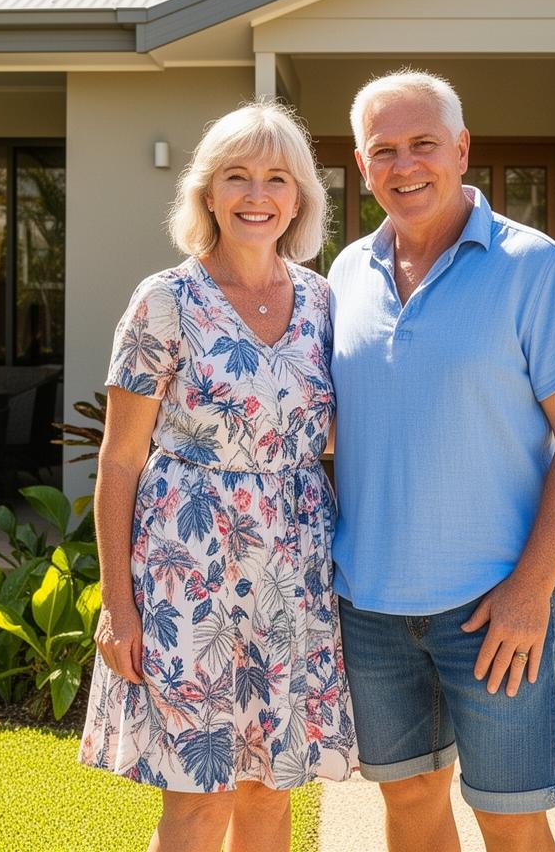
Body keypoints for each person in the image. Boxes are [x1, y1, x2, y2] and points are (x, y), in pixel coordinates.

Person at [328, 70, 555, 852]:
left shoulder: (537, 267)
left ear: (461, 148)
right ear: (361, 165)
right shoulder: (343, 276)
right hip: (370, 606)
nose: (404, 163)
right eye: (384, 149)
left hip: (495, 609)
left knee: (511, 819)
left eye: (423, 143)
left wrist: (530, 590)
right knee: (410, 805)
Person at [80, 101, 357, 850]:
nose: (257, 195)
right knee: (200, 799)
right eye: (237, 177)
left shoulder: (325, 304)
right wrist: (119, 604)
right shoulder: (165, 301)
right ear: (208, 193)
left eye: (276, 178)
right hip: (186, 572)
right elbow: (120, 459)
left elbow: (337, 437)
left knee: (271, 792)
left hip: (292, 573)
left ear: (299, 198)